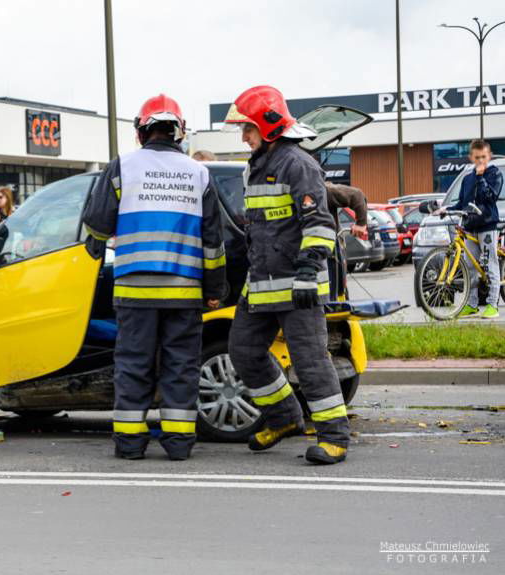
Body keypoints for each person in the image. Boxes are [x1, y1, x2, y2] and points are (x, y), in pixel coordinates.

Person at [82, 94, 228, 461]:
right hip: (184, 292)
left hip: (134, 291)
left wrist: (95, 247)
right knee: (181, 366)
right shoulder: (199, 173)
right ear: (179, 133)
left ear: (141, 131)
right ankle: (178, 444)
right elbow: (213, 242)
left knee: (134, 364)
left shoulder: (123, 167)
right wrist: (214, 290)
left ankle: (130, 444)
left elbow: (97, 223)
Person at [223, 85, 350, 465]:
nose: (244, 137)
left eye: (247, 129)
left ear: (268, 125)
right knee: (243, 352)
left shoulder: (298, 163)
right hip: (261, 285)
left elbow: (320, 223)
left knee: (309, 360)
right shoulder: (257, 167)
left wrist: (309, 272)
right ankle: (284, 418)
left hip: (299, 287)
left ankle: (334, 437)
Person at [438, 139, 503, 319]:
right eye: (477, 157)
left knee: (491, 264)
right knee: (469, 267)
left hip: (487, 226)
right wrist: (446, 209)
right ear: (471, 157)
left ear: (489, 156)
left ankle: (492, 305)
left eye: (484, 156)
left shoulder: (494, 174)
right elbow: (462, 202)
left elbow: (490, 197)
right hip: (470, 227)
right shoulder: (467, 178)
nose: (480, 160)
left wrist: (481, 177)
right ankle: (471, 304)